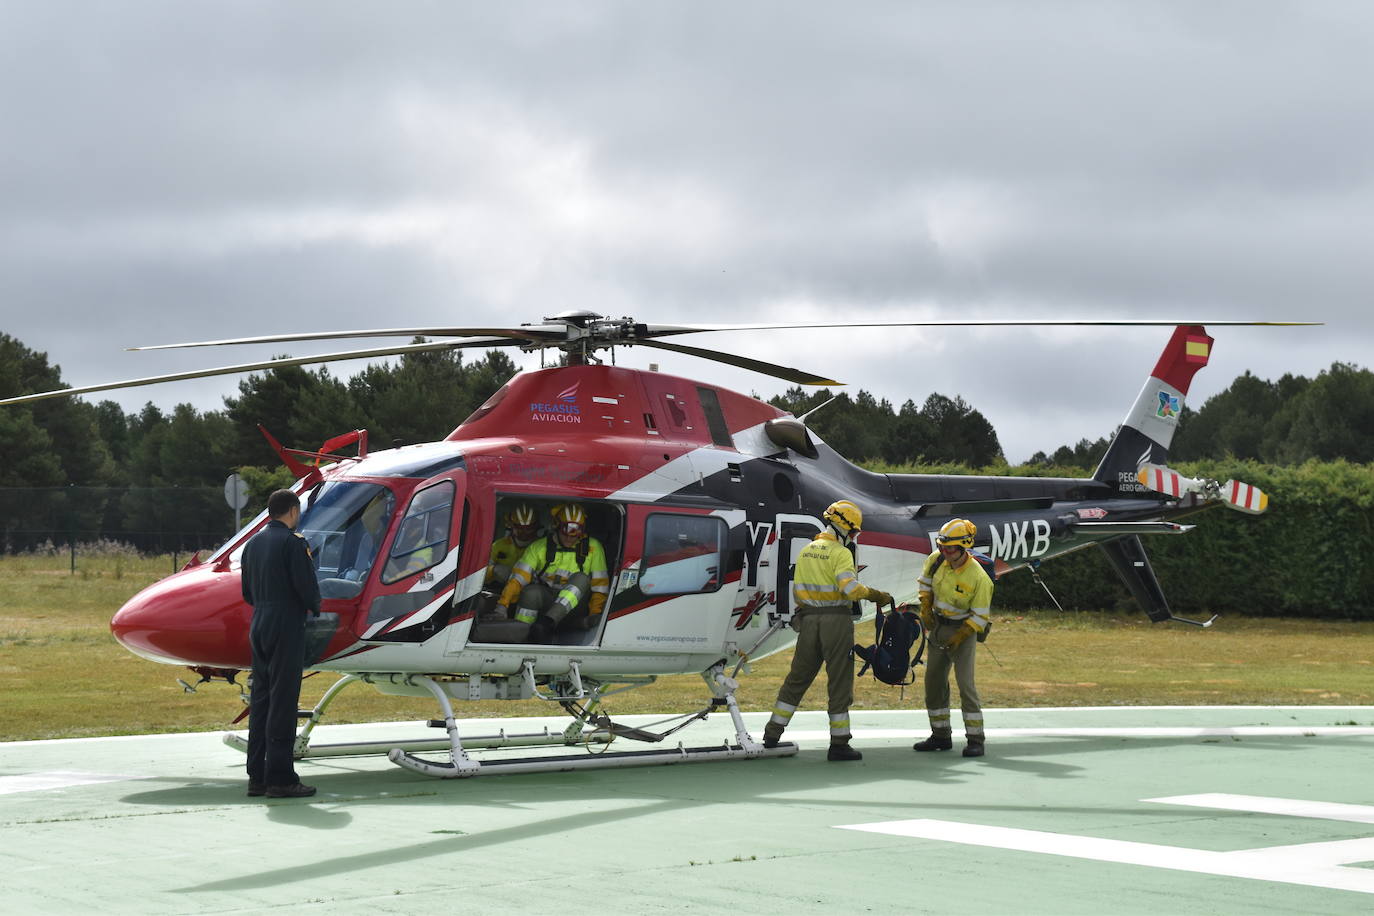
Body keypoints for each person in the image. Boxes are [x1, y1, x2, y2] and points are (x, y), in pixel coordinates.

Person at [761, 500, 893, 761]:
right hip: (835, 621)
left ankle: (772, 733)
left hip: (808, 621)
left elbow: (797, 589)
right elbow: (850, 589)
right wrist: (877, 595)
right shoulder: (841, 553)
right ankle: (840, 743)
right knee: (840, 680)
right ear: (844, 528)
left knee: (797, 678)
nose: (854, 537)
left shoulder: (807, 550)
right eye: (854, 532)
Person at [240, 489, 322, 798]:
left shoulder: (253, 544)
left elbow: (247, 591)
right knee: (283, 702)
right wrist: (316, 605)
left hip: (259, 621)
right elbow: (306, 587)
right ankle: (281, 778)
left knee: (261, 700)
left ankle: (257, 777)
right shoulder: (293, 543)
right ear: (292, 511)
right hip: (286, 624)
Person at [913, 517, 994, 758]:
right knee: (934, 683)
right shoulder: (936, 560)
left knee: (966, 685)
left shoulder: (979, 578)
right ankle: (940, 735)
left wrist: (959, 636)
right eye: (941, 547)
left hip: (964, 630)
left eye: (949, 549)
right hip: (938, 626)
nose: (944, 552)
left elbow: (980, 618)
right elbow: (925, 584)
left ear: (964, 547)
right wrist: (925, 608)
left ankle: (975, 739)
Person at [494, 502, 611, 642]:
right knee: (531, 593)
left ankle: (547, 624)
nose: (569, 538)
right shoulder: (538, 547)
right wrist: (502, 605)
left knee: (581, 578)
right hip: (548, 599)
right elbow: (518, 578)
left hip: (576, 607)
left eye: (575, 534)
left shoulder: (593, 548)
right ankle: (523, 636)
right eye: (565, 532)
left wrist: (595, 613)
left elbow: (600, 585)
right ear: (556, 526)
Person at [485, 503, 541, 589]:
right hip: (497, 587)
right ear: (511, 525)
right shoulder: (499, 545)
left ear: (536, 527)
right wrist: (494, 570)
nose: (524, 532)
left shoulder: (540, 547)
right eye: (519, 527)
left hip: (526, 590)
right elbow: (482, 572)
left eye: (528, 528)